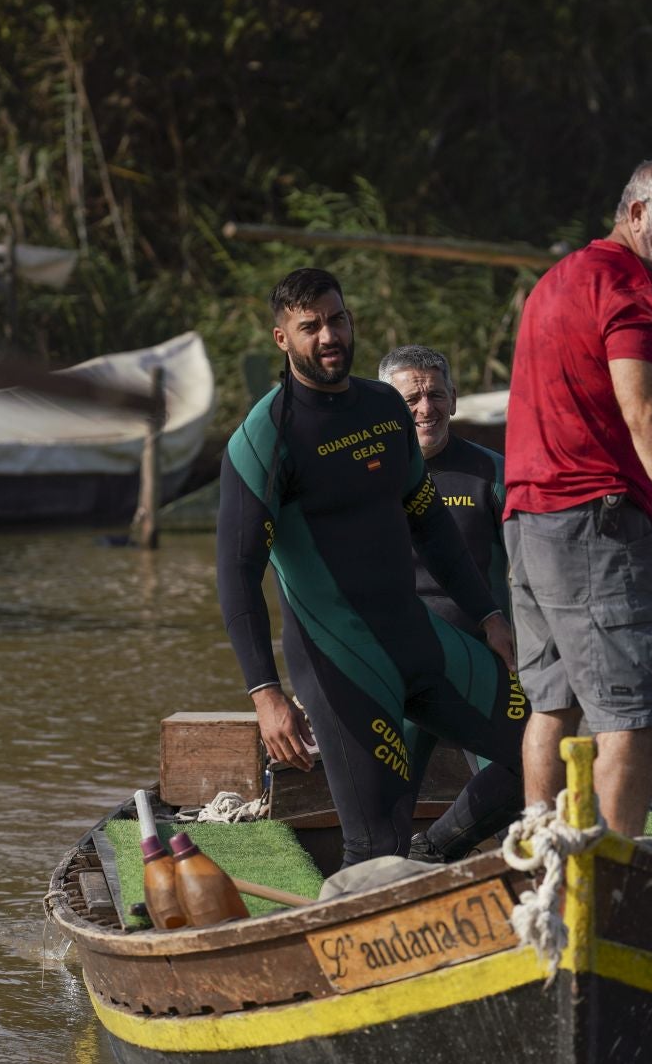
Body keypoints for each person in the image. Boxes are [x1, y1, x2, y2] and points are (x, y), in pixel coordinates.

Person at [216, 268, 528, 868]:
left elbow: (429, 521)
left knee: (540, 751)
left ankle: (434, 859)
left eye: (336, 319)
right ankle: (375, 941)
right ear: (282, 339)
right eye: (310, 327)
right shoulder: (264, 438)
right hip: (343, 663)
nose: (328, 336)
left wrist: (490, 614)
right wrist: (265, 694)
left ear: (351, 320)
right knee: (375, 841)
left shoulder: (385, 406)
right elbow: (237, 572)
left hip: (420, 639)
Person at [502, 156, 652, 839]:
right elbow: (645, 412)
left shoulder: (556, 281)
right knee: (630, 715)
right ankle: (609, 883)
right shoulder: (630, 289)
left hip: (527, 521)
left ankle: (541, 862)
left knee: (551, 707)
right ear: (637, 212)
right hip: (594, 524)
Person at [380, 344, 508, 831]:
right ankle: (385, 870)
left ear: (454, 399)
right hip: (399, 668)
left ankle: (435, 849)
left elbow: (534, 570)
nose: (425, 408)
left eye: (435, 394)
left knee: (524, 770)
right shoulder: (366, 479)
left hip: (483, 660)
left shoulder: (493, 474)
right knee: (385, 804)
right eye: (411, 398)